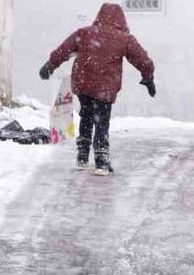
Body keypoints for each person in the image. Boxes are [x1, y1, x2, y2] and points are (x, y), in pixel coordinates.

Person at [40, 3, 156, 175]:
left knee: (86, 116)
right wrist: (148, 77)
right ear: (121, 19)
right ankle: (101, 162)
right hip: (105, 87)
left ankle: (82, 156)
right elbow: (142, 59)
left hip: (83, 83)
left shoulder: (84, 33)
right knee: (101, 121)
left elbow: (64, 49)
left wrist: (50, 65)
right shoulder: (124, 38)